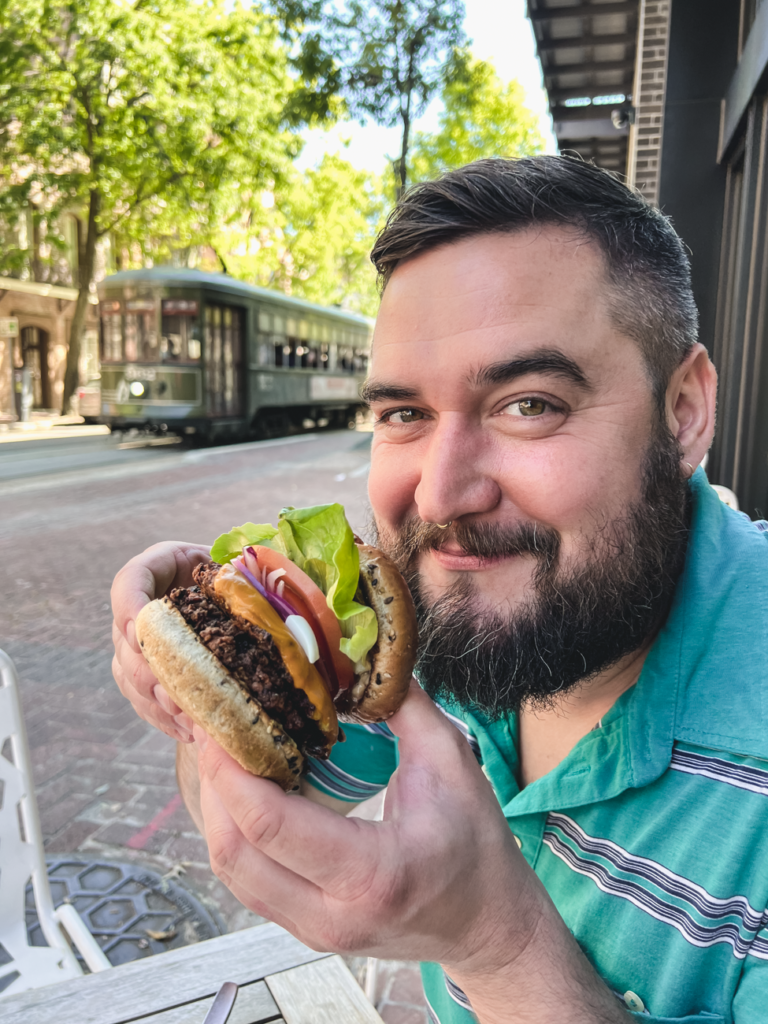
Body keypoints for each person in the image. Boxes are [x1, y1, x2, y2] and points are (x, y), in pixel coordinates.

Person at [111, 157, 768, 1023]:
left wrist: (495, 942)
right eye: (403, 415)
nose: (440, 496)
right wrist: (215, 679)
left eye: (529, 404)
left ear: (684, 411)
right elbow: (272, 806)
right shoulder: (452, 623)